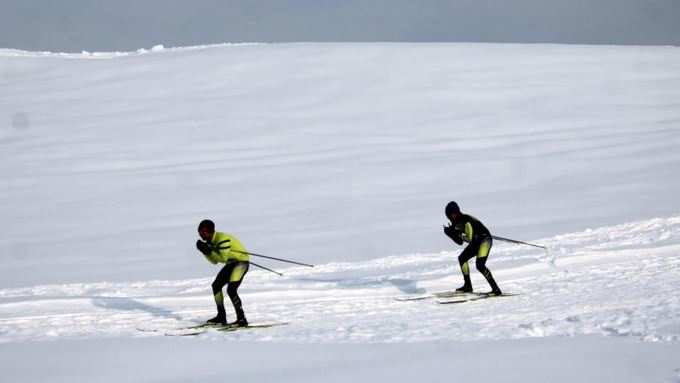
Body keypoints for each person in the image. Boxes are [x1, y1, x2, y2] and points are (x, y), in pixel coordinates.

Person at [195, 219, 250, 326]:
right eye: (199, 232)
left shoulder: (221, 239)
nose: (201, 235)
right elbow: (214, 261)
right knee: (216, 286)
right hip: (231, 264)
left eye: (203, 232)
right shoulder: (211, 241)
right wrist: (205, 252)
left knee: (231, 289)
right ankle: (221, 316)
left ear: (210, 231)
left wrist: (209, 250)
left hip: (241, 263)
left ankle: (242, 319)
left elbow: (223, 258)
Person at [443, 201, 502, 295]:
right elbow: (460, 242)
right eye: (449, 216)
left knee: (480, 265)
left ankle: (496, 289)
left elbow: (469, 238)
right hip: (476, 242)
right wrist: (451, 234)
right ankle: (468, 286)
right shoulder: (456, 223)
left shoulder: (465, 220)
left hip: (484, 240)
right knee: (462, 258)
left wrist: (457, 234)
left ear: (456, 213)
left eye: (452, 215)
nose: (451, 217)